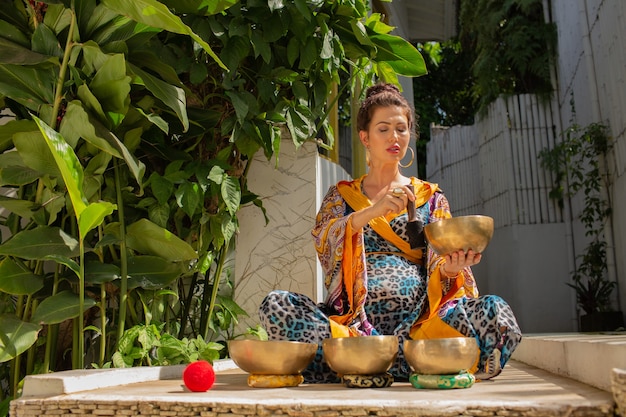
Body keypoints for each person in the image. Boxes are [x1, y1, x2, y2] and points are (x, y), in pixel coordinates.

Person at [258, 82, 522, 383]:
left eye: (401, 128)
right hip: (353, 328)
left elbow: (441, 263)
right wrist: (371, 212)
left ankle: (364, 364)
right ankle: (418, 363)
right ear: (364, 137)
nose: (394, 137)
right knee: (277, 305)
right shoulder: (341, 196)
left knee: (494, 311)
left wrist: (451, 269)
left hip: (423, 326)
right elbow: (325, 242)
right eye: (383, 129)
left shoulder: (430, 197)